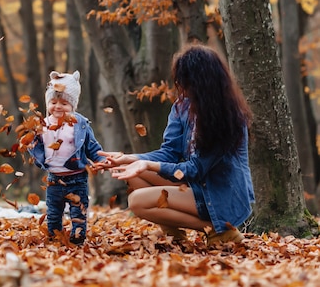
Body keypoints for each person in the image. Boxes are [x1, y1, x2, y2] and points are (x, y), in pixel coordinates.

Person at [98, 44, 254, 246]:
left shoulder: (227, 118)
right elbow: (169, 153)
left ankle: (218, 230)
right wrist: (128, 158)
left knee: (137, 202)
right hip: (197, 186)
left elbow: (195, 169)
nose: (182, 87)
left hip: (220, 195)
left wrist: (148, 165)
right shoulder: (183, 106)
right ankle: (176, 236)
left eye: (186, 82)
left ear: (202, 82)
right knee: (131, 171)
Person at [29, 70, 111, 245]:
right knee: (53, 212)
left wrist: (101, 161)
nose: (58, 107)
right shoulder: (43, 125)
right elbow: (36, 145)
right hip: (54, 179)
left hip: (77, 178)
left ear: (73, 105)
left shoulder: (79, 124)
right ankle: (55, 236)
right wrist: (31, 143)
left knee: (78, 212)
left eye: (64, 103)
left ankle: (77, 238)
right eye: (53, 102)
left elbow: (92, 146)